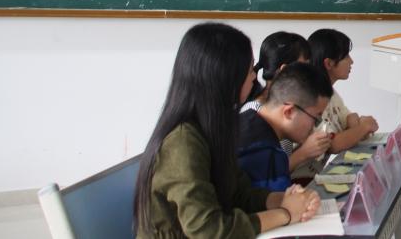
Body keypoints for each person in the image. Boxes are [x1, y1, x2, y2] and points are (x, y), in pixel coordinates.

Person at [133, 22, 321, 238]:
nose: (254, 76)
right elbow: (208, 230)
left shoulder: (215, 128)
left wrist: (284, 199)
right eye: (249, 70)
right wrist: (285, 214)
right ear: (225, 77)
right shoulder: (182, 141)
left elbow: (239, 193)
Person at [238, 62, 333, 191]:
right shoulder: (268, 154)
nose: (314, 127)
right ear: (289, 112)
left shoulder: (243, 118)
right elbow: (281, 203)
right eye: (316, 119)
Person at [304, 29, 379, 160]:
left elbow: (351, 120)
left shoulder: (330, 92)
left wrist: (355, 127)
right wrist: (364, 127)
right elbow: (333, 144)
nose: (352, 61)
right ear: (329, 63)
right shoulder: (310, 96)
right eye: (346, 56)